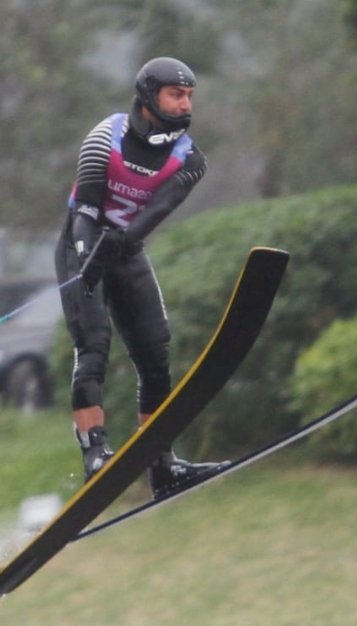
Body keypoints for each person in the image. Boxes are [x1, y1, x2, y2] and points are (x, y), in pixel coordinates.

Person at [55, 56, 226, 495]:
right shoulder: (105, 136)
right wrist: (86, 257)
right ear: (150, 96)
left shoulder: (190, 159)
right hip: (80, 245)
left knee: (155, 352)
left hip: (127, 251)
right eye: (176, 94)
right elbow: (85, 209)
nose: (186, 104)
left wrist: (122, 241)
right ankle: (95, 452)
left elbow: (154, 214)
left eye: (189, 96)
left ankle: (161, 462)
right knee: (93, 346)